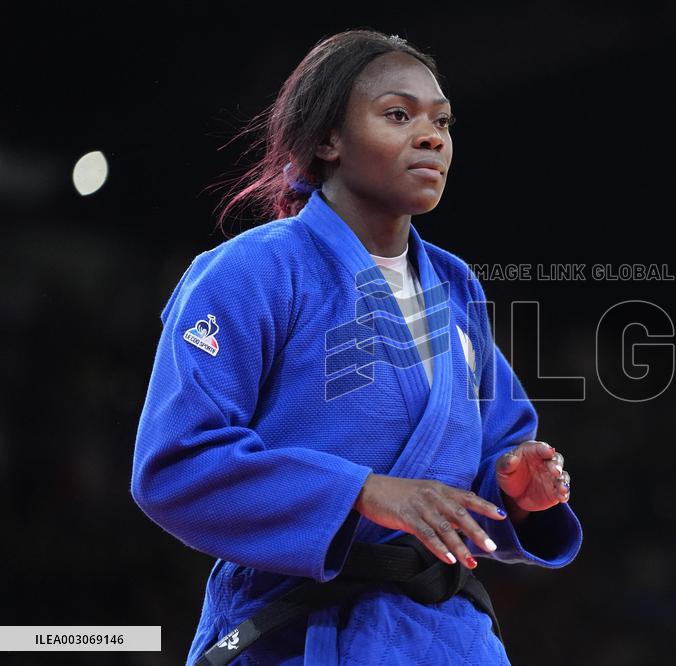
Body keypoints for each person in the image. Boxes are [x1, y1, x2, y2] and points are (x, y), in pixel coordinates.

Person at [131, 29, 583, 665]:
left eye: (442, 122)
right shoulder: (251, 272)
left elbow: (485, 460)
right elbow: (175, 465)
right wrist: (362, 492)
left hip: (446, 638)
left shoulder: (454, 286)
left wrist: (518, 496)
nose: (432, 138)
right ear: (328, 140)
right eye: (398, 115)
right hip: (297, 634)